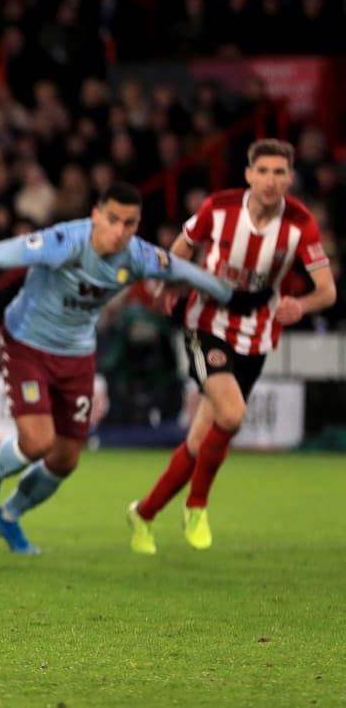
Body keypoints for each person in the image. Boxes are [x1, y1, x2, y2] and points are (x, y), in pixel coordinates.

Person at [0, 182, 272, 554]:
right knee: (37, 442)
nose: (119, 231)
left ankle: (10, 516)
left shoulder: (138, 256)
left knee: (65, 460)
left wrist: (234, 297)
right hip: (27, 345)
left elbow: (185, 271)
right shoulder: (65, 242)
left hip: (77, 355)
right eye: (112, 220)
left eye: (129, 224)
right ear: (96, 216)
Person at [127, 139, 336, 554]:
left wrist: (302, 304)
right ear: (248, 175)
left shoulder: (300, 224)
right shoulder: (218, 209)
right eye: (263, 171)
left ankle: (144, 513)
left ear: (290, 178)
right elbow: (181, 249)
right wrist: (171, 283)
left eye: (279, 173)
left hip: (257, 333)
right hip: (207, 321)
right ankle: (197, 506)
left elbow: (326, 291)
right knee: (233, 413)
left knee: (198, 441)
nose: (271, 181)